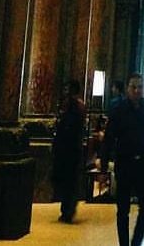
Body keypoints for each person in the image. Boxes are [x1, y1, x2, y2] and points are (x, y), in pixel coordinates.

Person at [102, 73, 144, 246]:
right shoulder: (118, 109)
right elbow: (109, 138)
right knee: (123, 210)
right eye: (133, 87)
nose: (137, 90)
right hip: (124, 163)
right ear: (128, 88)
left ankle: (136, 242)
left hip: (143, 162)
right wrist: (104, 166)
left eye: (140, 87)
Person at [51, 79, 87, 224]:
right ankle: (67, 208)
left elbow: (71, 127)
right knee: (68, 180)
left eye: (68, 89)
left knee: (70, 181)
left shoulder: (75, 106)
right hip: (69, 148)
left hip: (70, 148)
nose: (66, 92)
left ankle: (68, 209)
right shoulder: (73, 106)